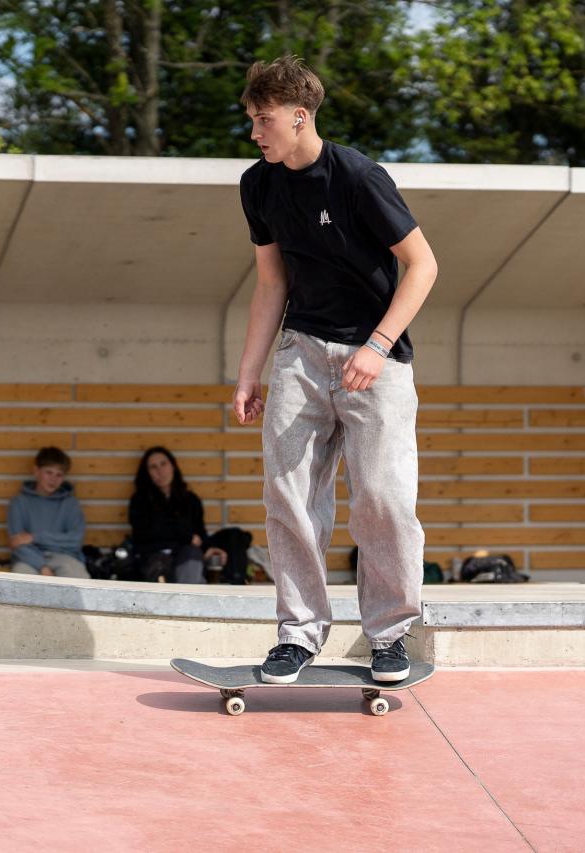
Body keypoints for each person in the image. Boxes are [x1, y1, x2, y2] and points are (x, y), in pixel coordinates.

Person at [232, 56, 438, 684]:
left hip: (376, 359)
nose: (255, 132)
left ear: (299, 117)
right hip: (301, 350)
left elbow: (423, 265)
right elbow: (271, 283)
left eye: (264, 120)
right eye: (251, 120)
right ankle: (298, 633)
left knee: (383, 499)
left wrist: (377, 345)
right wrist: (249, 374)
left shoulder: (357, 177)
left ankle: (390, 635)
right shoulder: (257, 185)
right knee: (288, 494)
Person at [129, 446, 225, 583]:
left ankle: (187, 595)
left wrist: (208, 548)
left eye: (163, 464)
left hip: (186, 557)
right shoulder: (140, 501)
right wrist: (186, 537)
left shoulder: (190, 500)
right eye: (153, 467)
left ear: (172, 466)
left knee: (192, 555)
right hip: (153, 558)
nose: (160, 470)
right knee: (160, 563)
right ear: (147, 473)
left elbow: (199, 533)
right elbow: (144, 534)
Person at [7, 447, 89, 578]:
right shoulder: (19, 503)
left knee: (78, 578)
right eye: (49, 472)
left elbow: (75, 540)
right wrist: (42, 566)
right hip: (29, 559)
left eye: (59, 475)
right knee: (21, 577)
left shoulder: (70, 503)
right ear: (36, 471)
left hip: (65, 558)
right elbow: (17, 544)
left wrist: (34, 537)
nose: (53, 479)